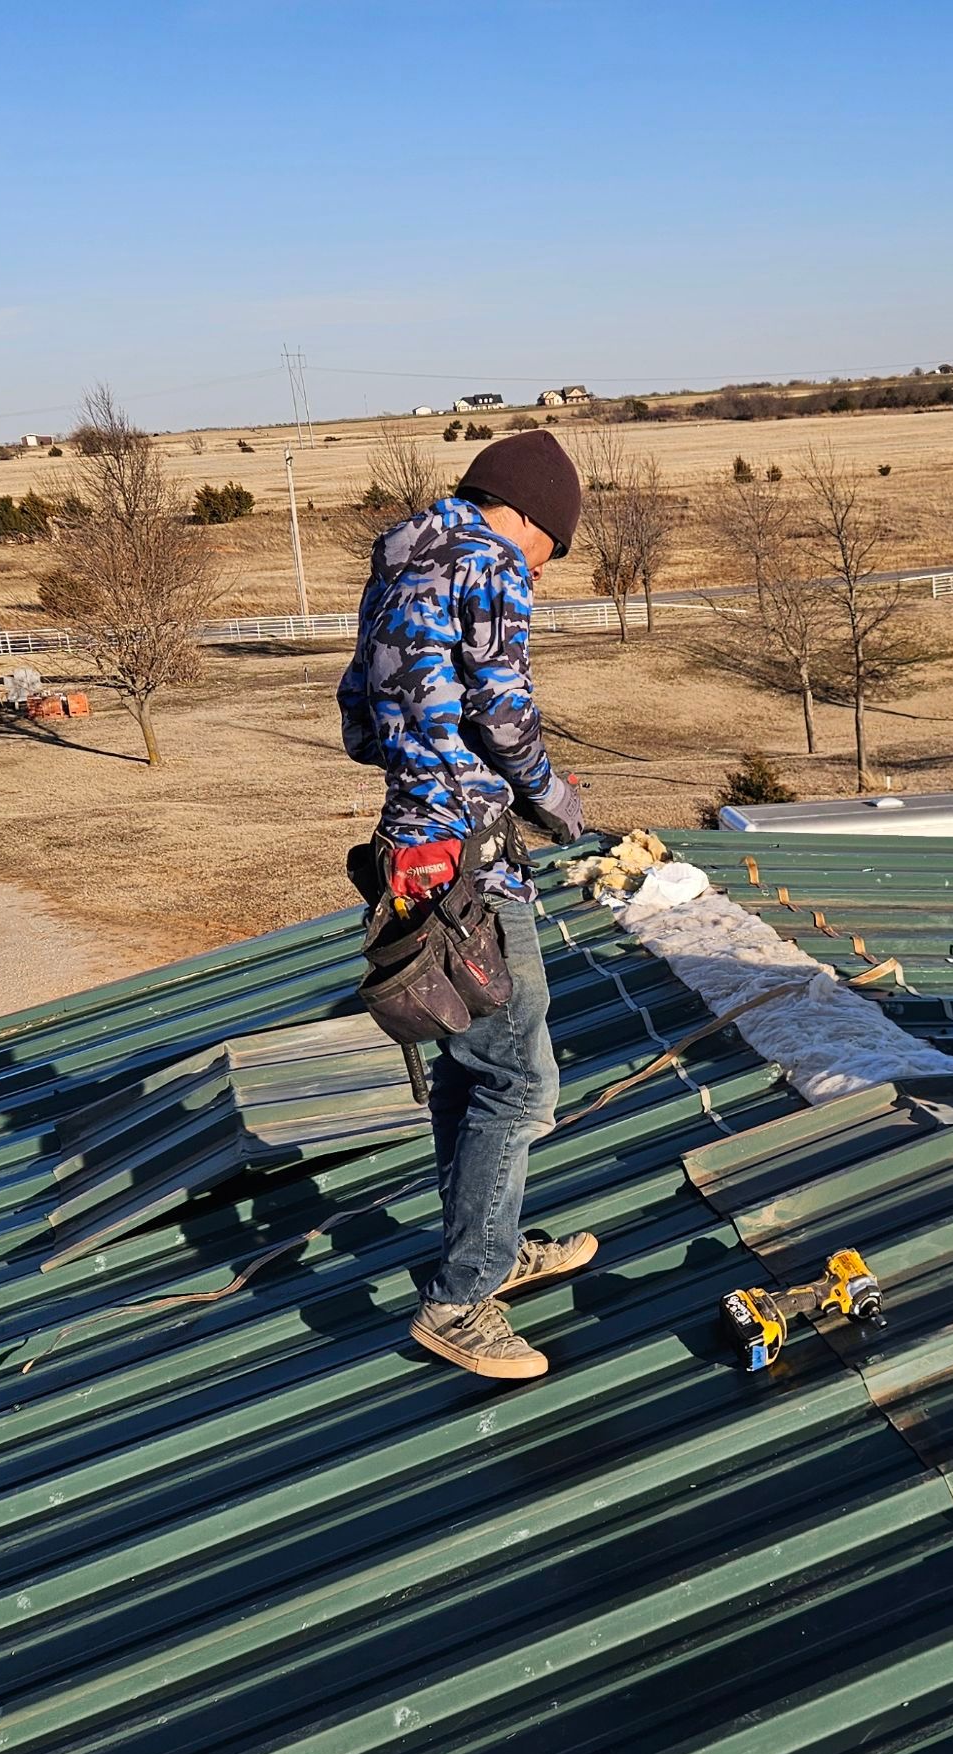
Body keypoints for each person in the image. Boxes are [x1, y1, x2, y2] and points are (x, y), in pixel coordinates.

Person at [340, 431, 597, 1379]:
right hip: (471, 857)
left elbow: (359, 717)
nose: (545, 570)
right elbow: (501, 707)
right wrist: (550, 795)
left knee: (467, 1058)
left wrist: (420, 765)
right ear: (529, 514)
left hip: (411, 842)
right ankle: (461, 1300)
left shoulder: (403, 550)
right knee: (522, 1078)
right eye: (552, 550)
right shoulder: (491, 562)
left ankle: (485, 1243)